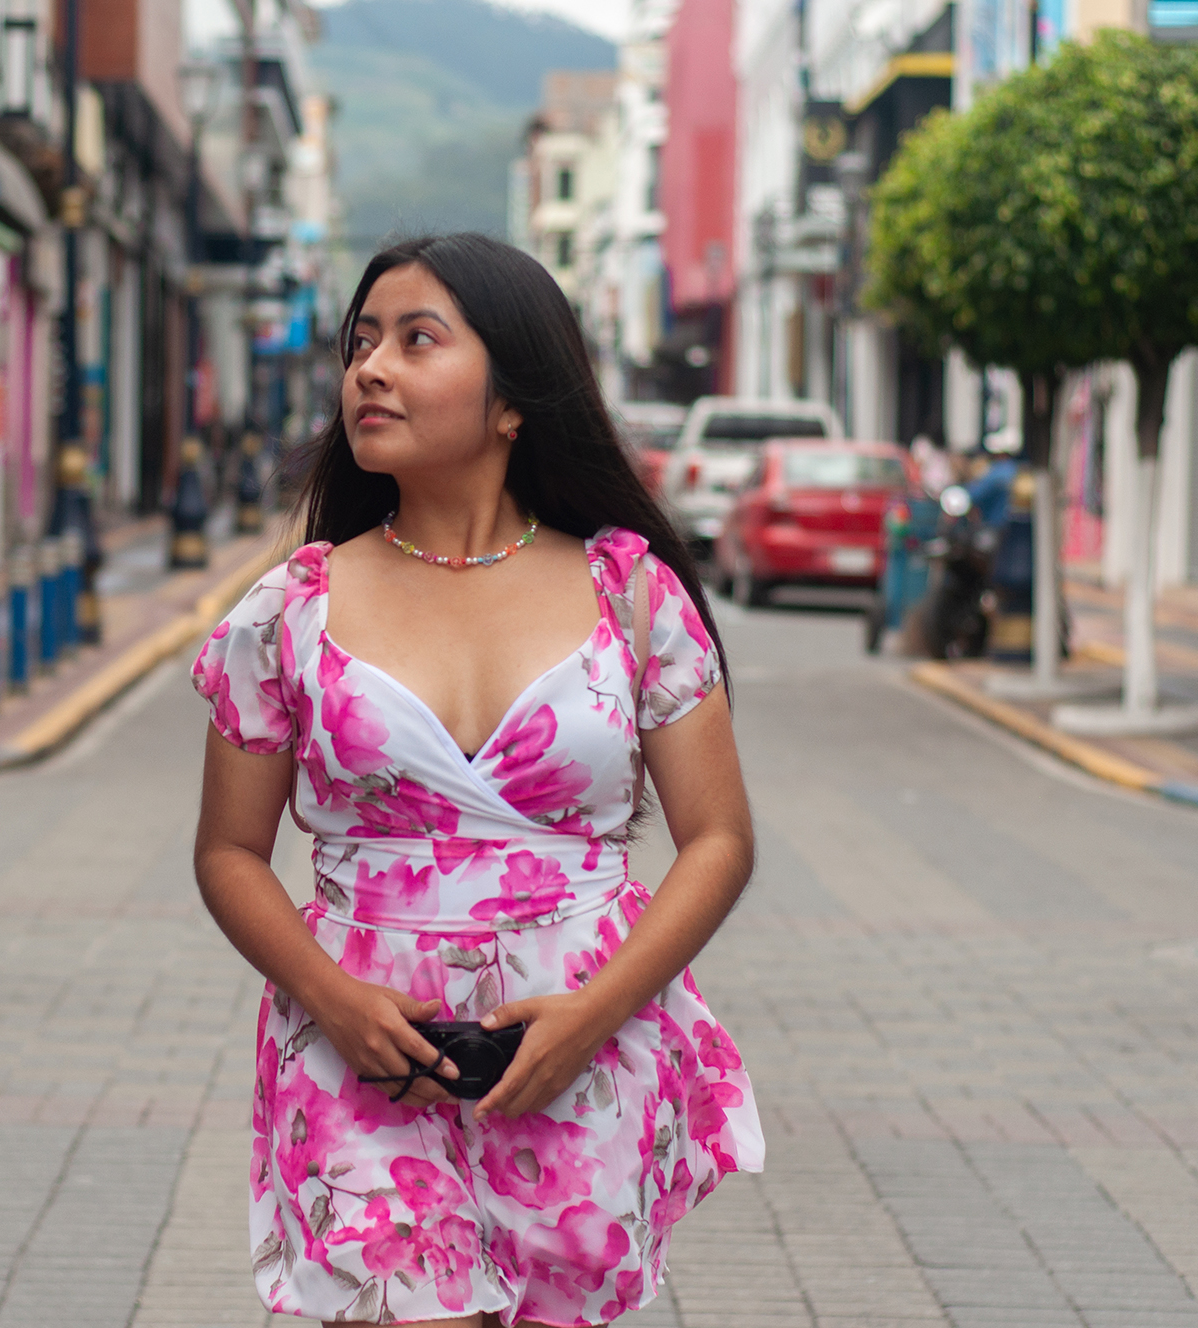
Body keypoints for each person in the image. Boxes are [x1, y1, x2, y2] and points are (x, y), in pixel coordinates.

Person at [192, 234, 762, 1328]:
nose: (369, 368)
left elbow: (718, 839)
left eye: (416, 340)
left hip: (577, 1041)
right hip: (361, 1051)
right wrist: (334, 998)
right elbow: (227, 851)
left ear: (511, 401)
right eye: (361, 343)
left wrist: (592, 1017)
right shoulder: (290, 608)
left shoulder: (628, 593)